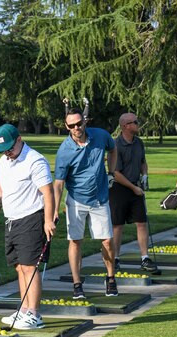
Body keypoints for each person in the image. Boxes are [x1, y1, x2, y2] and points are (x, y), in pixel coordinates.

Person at [0, 124, 56, 329]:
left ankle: (34, 314)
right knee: (19, 267)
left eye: (9, 147)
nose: (7, 152)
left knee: (29, 267)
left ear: (19, 140)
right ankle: (24, 310)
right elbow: (0, 189)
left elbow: (48, 193)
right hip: (12, 220)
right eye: (3, 149)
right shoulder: (4, 161)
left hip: (32, 218)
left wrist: (48, 220)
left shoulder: (35, 160)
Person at [53, 108, 118, 298]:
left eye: (79, 123)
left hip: (100, 198)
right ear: (66, 127)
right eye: (71, 125)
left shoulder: (100, 136)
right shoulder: (64, 151)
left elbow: (113, 150)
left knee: (106, 240)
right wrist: (54, 210)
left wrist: (111, 173)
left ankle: (111, 278)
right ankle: (77, 284)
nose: (76, 128)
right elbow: (58, 183)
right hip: (76, 200)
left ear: (85, 122)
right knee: (75, 241)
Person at [110, 112, 158, 273]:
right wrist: (133, 187)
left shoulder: (139, 143)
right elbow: (116, 173)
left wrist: (144, 175)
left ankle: (145, 258)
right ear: (125, 126)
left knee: (141, 223)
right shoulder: (116, 145)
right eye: (135, 122)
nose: (138, 124)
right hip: (119, 189)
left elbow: (143, 162)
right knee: (118, 225)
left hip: (136, 187)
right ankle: (115, 259)